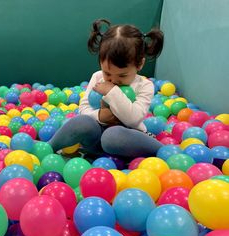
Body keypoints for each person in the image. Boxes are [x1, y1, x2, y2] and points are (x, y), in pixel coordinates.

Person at [48, 19, 164, 158]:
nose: (114, 80)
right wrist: (99, 116)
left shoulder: (144, 85)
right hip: (95, 142)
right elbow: (84, 108)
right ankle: (48, 147)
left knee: (112, 136)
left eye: (122, 75)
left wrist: (112, 92)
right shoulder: (97, 77)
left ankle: (162, 150)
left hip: (126, 142)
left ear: (139, 64)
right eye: (107, 73)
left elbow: (133, 119)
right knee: (82, 122)